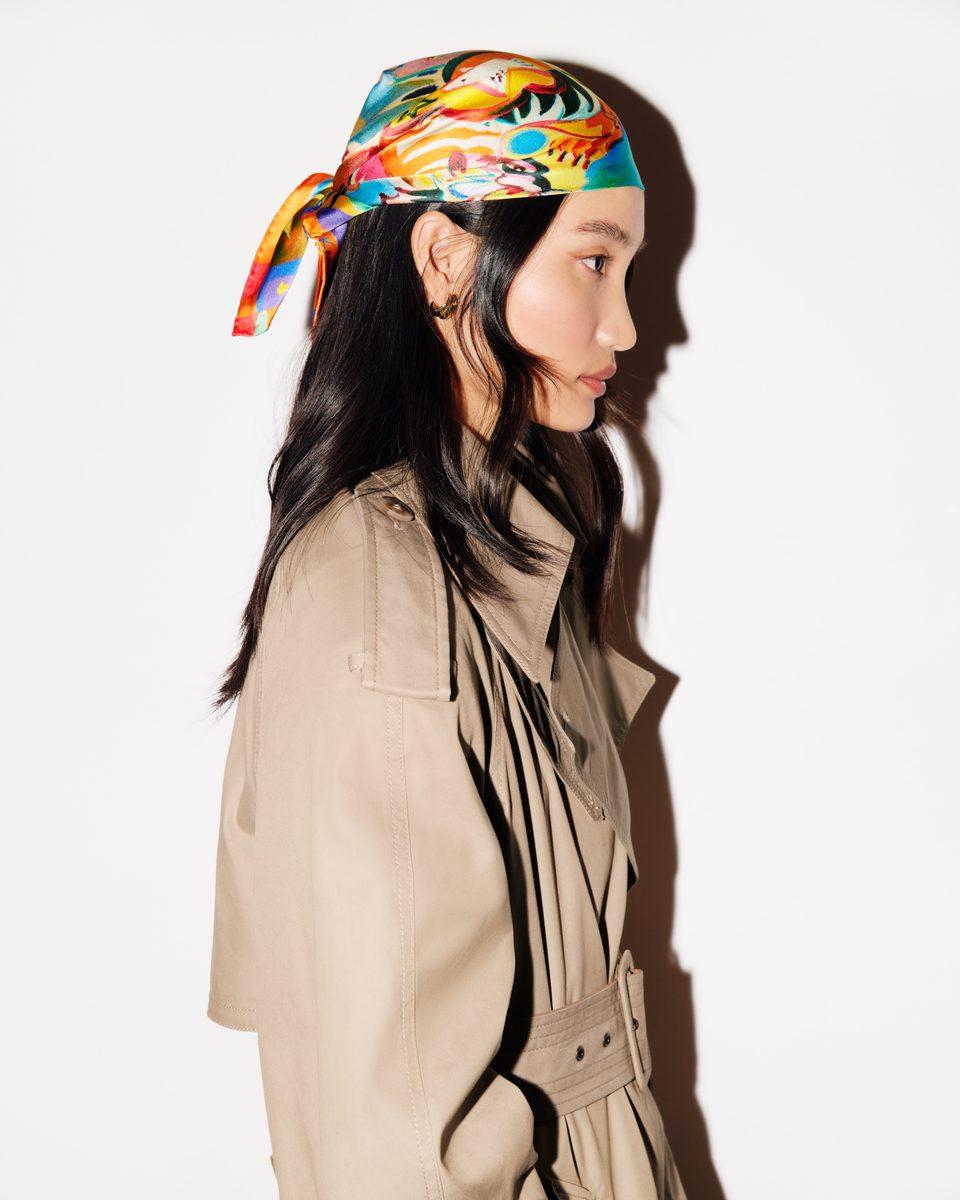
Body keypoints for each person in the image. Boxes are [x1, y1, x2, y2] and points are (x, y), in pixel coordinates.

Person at [207, 48, 688, 1200]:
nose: (628, 327)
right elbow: (395, 1136)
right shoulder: (381, 589)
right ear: (444, 258)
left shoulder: (503, 534)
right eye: (594, 262)